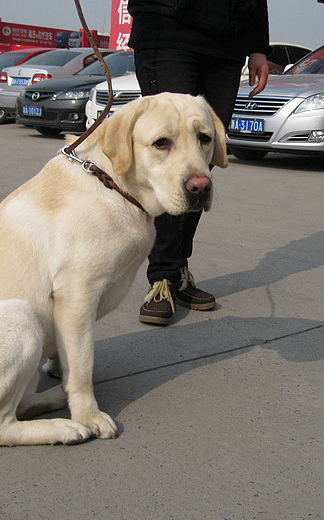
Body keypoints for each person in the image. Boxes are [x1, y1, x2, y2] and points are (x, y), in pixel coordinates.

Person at [128, 0, 270, 326]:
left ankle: (177, 268)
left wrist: (259, 47)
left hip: (227, 39)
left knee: (204, 161)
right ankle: (162, 277)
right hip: (167, 29)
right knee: (168, 160)